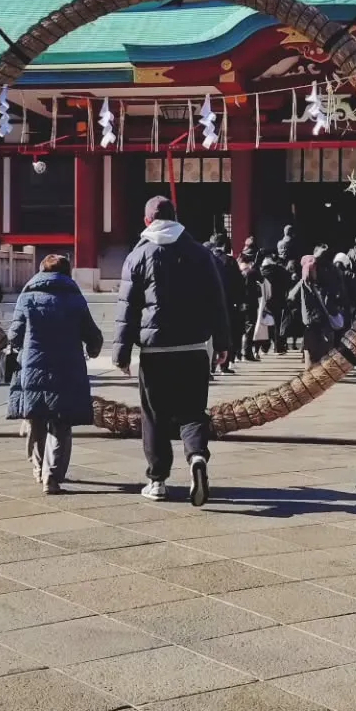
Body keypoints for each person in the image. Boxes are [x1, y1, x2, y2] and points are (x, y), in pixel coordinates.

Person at [115, 196, 231, 506]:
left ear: (147, 221)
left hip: (155, 351)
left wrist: (122, 353)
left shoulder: (137, 256)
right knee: (193, 411)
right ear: (176, 217)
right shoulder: (200, 253)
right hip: (193, 347)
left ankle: (157, 481)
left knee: (154, 416)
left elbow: (127, 309)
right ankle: (197, 457)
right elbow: (216, 302)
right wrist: (222, 344)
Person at [5, 253, 103, 494]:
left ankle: (38, 469)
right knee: (61, 423)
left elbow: (14, 336)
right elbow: (92, 333)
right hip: (67, 368)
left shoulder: (27, 296)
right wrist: (93, 348)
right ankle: (52, 476)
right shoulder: (75, 298)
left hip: (33, 367)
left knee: (36, 419)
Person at [289, 253, 338, 365]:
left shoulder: (314, 282)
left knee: (316, 352)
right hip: (315, 321)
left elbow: (291, 298)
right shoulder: (307, 283)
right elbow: (291, 298)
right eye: (313, 267)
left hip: (314, 321)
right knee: (315, 352)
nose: (315, 269)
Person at [209, 235, 247, 373]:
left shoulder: (207, 258)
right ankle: (224, 365)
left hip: (209, 301)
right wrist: (241, 300)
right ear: (225, 245)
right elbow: (238, 283)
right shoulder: (229, 261)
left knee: (211, 333)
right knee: (227, 331)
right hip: (228, 302)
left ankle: (211, 365)